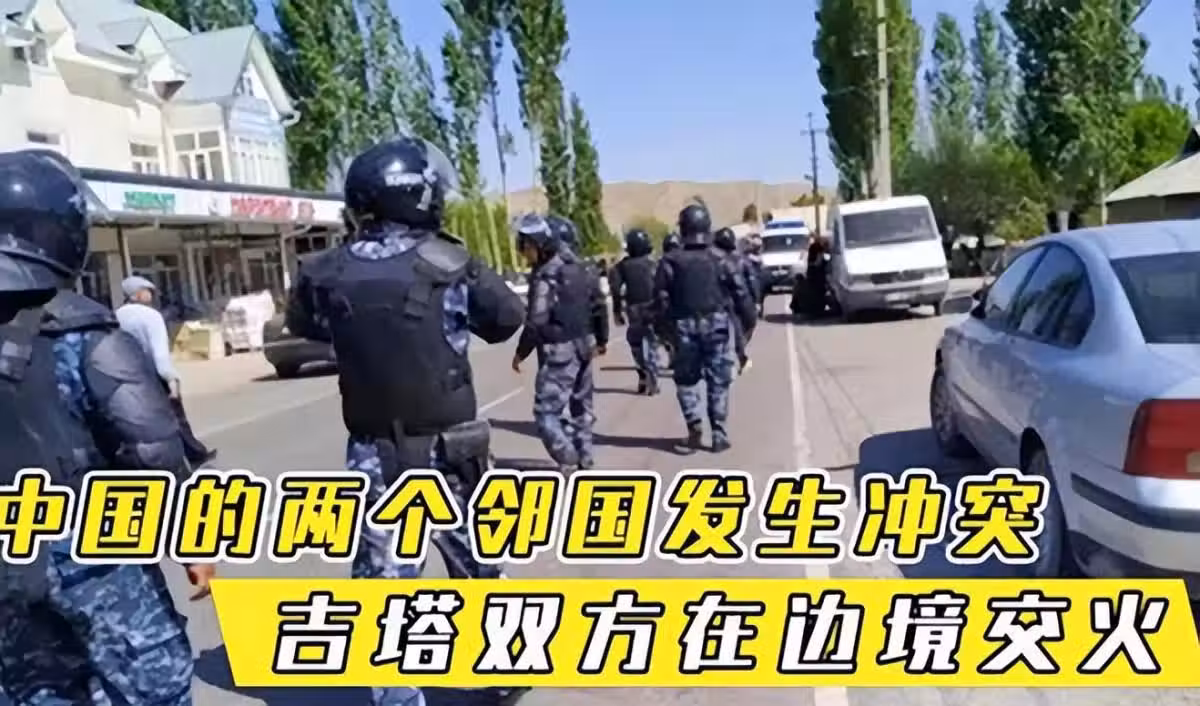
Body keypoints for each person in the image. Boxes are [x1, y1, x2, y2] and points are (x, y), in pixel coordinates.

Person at [285, 137, 527, 706]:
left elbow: (308, 325)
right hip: (451, 450)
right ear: (418, 194)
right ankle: (503, 667)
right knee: (479, 565)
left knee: (383, 586)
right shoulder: (451, 261)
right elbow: (505, 319)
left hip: (375, 453)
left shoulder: (323, 270)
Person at [0, 149, 207, 706]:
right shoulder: (82, 332)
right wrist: (193, 542)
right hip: (95, 557)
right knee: (154, 688)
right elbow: (154, 452)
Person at [654, 204, 756, 453]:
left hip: (683, 326)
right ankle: (719, 433)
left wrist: (666, 333)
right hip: (717, 325)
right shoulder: (722, 259)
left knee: (686, 380)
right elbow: (742, 295)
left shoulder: (670, 261)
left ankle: (694, 428)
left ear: (683, 228)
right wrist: (747, 325)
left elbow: (660, 300)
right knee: (718, 381)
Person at [512, 213, 607, 472]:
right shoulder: (584, 269)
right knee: (582, 408)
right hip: (584, 347)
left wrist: (521, 352)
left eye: (525, 246)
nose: (523, 252)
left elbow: (536, 320)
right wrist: (602, 340)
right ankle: (586, 459)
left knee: (546, 413)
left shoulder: (546, 274)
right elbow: (599, 306)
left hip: (558, 352)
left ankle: (569, 458)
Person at [117, 274, 216, 466]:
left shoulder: (117, 316)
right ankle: (194, 454)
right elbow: (159, 354)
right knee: (176, 416)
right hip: (154, 375)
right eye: (147, 291)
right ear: (137, 294)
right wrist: (171, 378)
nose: (151, 295)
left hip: (129, 375)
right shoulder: (151, 316)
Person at [610, 228, 660, 394]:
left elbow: (616, 290)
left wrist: (617, 311)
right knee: (652, 344)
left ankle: (643, 373)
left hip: (634, 310)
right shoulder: (653, 264)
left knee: (636, 344)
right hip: (653, 308)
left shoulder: (621, 267)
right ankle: (652, 374)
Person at [713, 227, 759, 373]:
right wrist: (756, 300)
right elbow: (751, 282)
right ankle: (740, 355)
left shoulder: (713, 261)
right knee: (741, 328)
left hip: (719, 303)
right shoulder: (742, 260)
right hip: (737, 300)